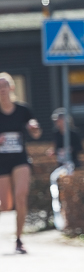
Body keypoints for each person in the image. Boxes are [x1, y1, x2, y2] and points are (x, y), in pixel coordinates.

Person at [0, 72, 42, 254]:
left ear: (11, 88)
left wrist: (34, 127)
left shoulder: (23, 110)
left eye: (4, 86)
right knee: (6, 205)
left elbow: (37, 133)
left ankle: (18, 239)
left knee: (21, 195)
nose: (2, 90)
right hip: (2, 161)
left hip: (20, 159)